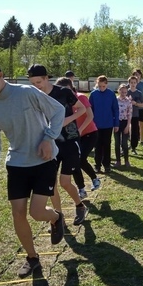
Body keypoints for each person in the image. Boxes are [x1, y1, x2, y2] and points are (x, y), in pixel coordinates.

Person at [0, 60, 66, 278]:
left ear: (0, 75)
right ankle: (32, 257)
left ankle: (56, 217)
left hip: (44, 161)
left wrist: (48, 138)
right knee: (18, 213)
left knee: (36, 212)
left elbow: (58, 111)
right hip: (17, 164)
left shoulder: (27, 92)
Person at [27, 66, 88, 227]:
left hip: (69, 141)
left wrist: (68, 120)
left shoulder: (63, 92)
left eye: (38, 81)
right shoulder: (33, 96)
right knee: (51, 184)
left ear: (47, 78)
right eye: (32, 83)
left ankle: (80, 206)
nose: (36, 85)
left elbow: (82, 109)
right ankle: (58, 218)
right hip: (50, 144)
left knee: (65, 182)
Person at [56, 77, 101, 199]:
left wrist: (80, 130)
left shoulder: (80, 97)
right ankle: (81, 189)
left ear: (71, 88)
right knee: (74, 161)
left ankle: (95, 179)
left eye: (67, 90)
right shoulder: (60, 101)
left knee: (80, 160)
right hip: (73, 136)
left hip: (89, 133)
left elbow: (90, 116)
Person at [89, 75, 119, 174]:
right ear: (97, 85)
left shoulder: (111, 94)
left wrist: (116, 124)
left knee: (107, 145)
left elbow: (115, 109)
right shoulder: (93, 94)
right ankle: (97, 165)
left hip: (108, 124)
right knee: (97, 145)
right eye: (100, 86)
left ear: (107, 84)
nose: (101, 88)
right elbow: (90, 110)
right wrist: (90, 123)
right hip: (96, 125)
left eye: (103, 86)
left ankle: (107, 165)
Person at [115, 83, 132, 167]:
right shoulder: (115, 100)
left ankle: (126, 160)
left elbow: (129, 114)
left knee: (124, 143)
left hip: (125, 122)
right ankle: (118, 161)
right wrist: (115, 124)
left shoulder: (128, 101)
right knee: (117, 142)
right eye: (122, 92)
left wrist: (128, 126)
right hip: (117, 123)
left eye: (125, 92)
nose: (124, 94)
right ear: (119, 91)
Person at [127, 75, 143, 155]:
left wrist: (136, 103)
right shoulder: (126, 92)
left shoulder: (139, 93)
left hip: (135, 114)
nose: (133, 84)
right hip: (125, 115)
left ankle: (133, 147)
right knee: (125, 130)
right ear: (129, 83)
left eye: (134, 82)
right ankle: (124, 146)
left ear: (137, 83)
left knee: (135, 131)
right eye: (131, 82)